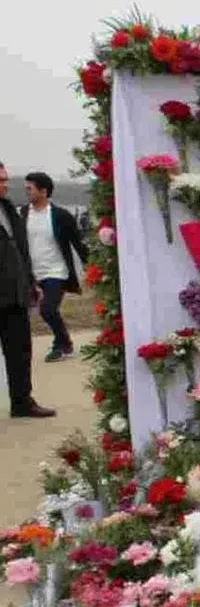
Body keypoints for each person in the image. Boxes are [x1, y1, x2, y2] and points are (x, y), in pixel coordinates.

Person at [0, 162, 56, 418]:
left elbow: (21, 250)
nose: (5, 184)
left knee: (20, 351)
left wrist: (31, 283)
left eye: (5, 179)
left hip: (14, 293)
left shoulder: (9, 209)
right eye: (1, 180)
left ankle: (22, 402)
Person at [20, 171, 88, 361]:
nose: (26, 192)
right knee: (36, 311)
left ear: (43, 191)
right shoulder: (24, 214)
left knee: (47, 309)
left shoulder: (61, 215)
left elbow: (77, 243)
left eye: (29, 189)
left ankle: (60, 345)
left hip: (56, 272)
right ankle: (65, 342)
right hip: (33, 273)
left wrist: (91, 266)